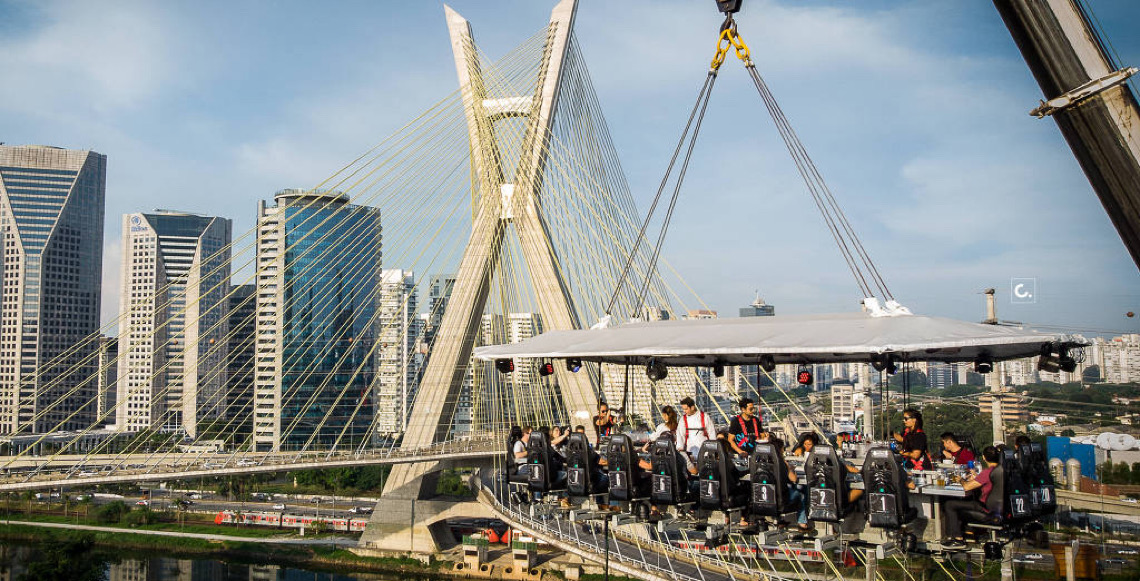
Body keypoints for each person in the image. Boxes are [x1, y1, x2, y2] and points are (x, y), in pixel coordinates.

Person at [942, 446, 1001, 548]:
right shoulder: (1001, 470)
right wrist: (976, 477)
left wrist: (960, 479)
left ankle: (957, 539)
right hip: (997, 508)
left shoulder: (988, 472)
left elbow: (966, 487)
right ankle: (967, 532)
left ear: (984, 457)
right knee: (964, 503)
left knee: (950, 504)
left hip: (986, 509)